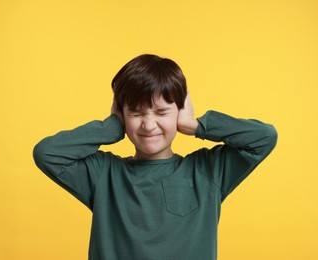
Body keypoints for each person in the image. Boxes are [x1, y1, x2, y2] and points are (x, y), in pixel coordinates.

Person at [33, 54, 278, 260]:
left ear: (180, 111)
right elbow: (47, 153)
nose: (149, 125)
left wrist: (196, 125)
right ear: (121, 114)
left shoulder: (207, 171)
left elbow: (264, 138)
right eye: (136, 113)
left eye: (162, 112)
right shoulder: (103, 174)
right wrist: (112, 127)